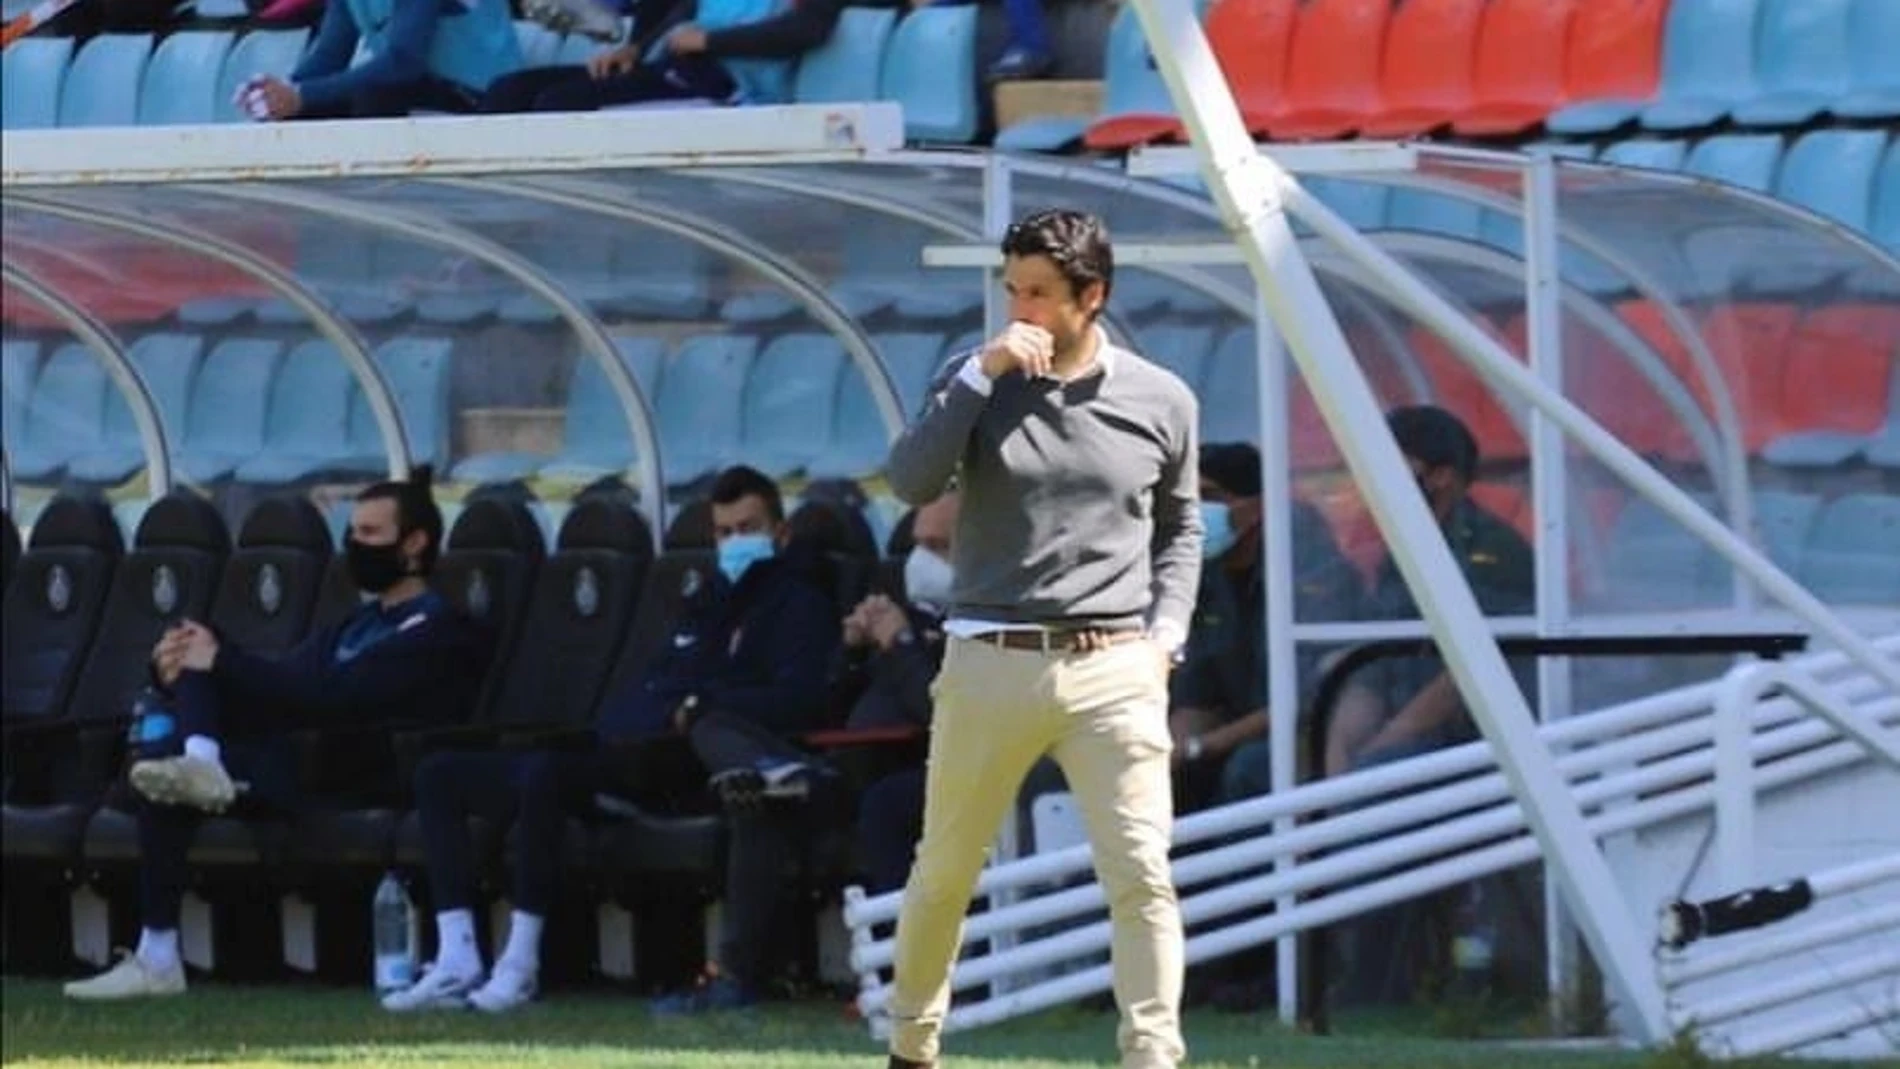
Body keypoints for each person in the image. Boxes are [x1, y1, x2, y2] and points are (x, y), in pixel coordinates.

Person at [880, 208, 1201, 1069]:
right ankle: (912, 1045)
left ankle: (1153, 1054)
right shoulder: (975, 376)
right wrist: (978, 375)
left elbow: (1181, 526)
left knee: (1142, 872)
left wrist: (1165, 637)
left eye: (1038, 293)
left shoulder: (1163, 398)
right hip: (992, 656)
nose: (1018, 309)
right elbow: (911, 479)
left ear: (1091, 297)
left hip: (1117, 664)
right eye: (1011, 288)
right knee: (946, 869)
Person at [381, 465, 839, 1014]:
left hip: (674, 769)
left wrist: (701, 704)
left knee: (545, 775)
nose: (734, 542)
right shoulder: (706, 599)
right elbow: (656, 683)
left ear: (780, 534)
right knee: (440, 774)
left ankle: (520, 963)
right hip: (618, 746)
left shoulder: (799, 604)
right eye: (723, 532)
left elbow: (797, 698)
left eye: (748, 529)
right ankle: (457, 956)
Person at [64, 468, 492, 1001]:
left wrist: (220, 660)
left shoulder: (437, 627)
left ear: (414, 543)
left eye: (370, 533)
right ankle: (159, 949)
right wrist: (172, 665)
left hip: (359, 771)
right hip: (298, 759)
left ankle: (201, 772)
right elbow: (284, 679)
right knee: (171, 756)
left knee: (189, 721)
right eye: (352, 532)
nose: (355, 545)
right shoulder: (354, 624)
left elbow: (335, 694)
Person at [646, 490, 955, 1014]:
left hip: (907, 772)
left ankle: (896, 979)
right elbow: (828, 708)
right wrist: (851, 651)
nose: (923, 558)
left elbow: (939, 713)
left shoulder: (980, 625)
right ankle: (735, 981)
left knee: (844, 803)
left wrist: (901, 645)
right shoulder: (904, 611)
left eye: (940, 546)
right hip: (835, 769)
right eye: (918, 545)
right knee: (725, 746)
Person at [1321, 405, 1535, 777]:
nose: (1372, 477)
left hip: (1476, 741)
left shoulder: (1495, 551)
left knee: (1377, 772)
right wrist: (1338, 748)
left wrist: (1383, 744)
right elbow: (1375, 664)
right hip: (1402, 729)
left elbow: (1473, 673)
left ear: (1441, 477)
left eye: (1391, 464)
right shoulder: (1404, 551)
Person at [1169, 443, 1362, 811]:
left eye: (1208, 496)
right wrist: (1168, 752)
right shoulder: (1206, 577)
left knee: (1250, 769)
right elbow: (1198, 696)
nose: (1192, 511)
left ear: (1256, 507)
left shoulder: (1313, 573)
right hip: (1232, 735)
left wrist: (1202, 746)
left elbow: (1308, 699)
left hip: (1316, 737)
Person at [477, 0, 834, 113]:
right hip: (672, 67)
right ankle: (484, 219)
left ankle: (541, 227)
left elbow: (807, 29)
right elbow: (688, 11)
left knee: (560, 102)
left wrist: (710, 42)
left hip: (728, 86)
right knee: (510, 90)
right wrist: (636, 50)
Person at [234, 0, 523, 120]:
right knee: (298, 113)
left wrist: (301, 95)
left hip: (478, 99)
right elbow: (329, 57)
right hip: (420, 88)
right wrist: (278, 93)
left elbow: (404, 62)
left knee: (375, 95)